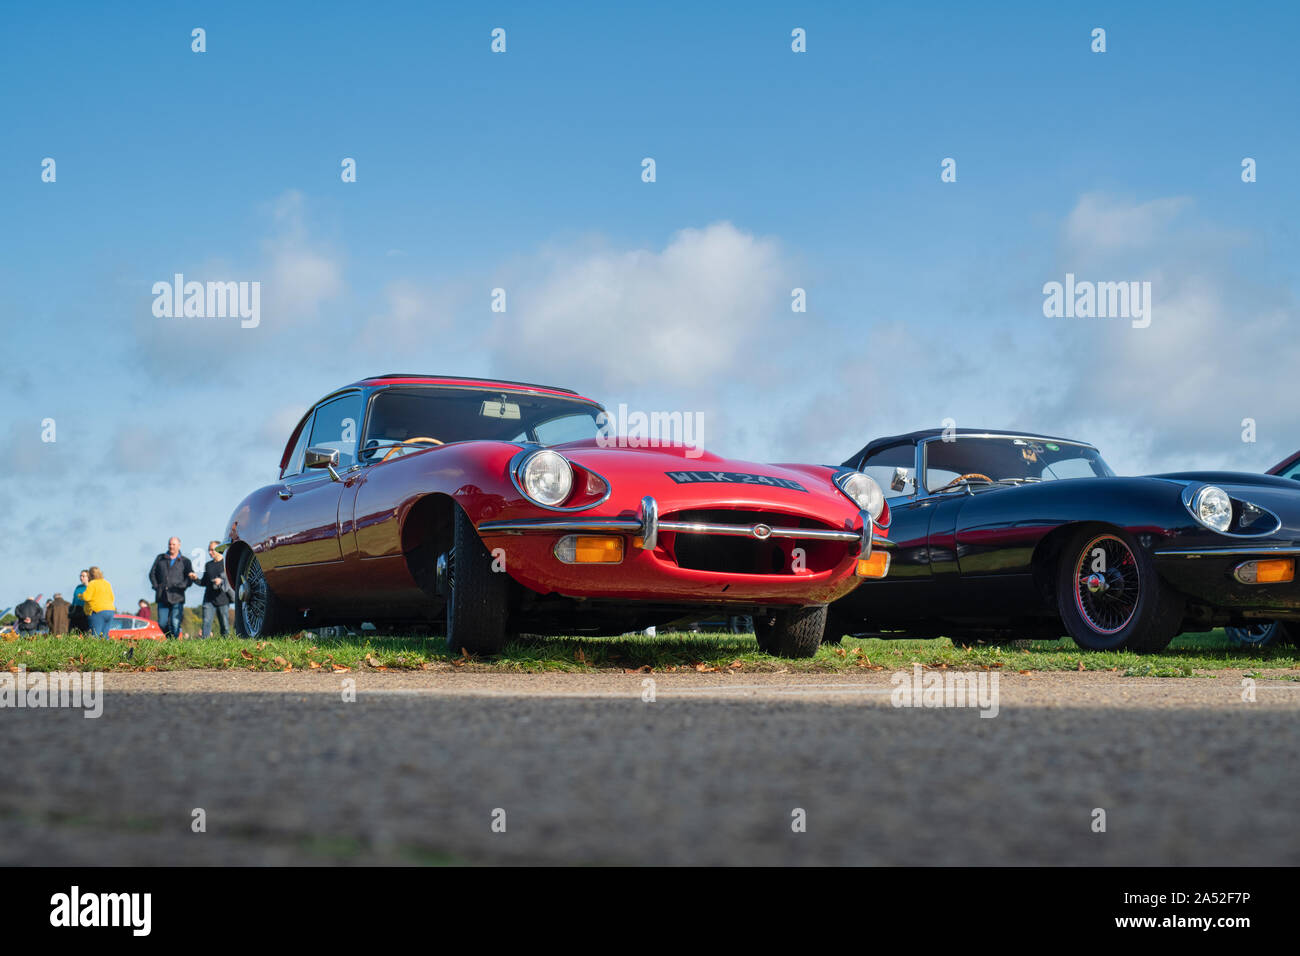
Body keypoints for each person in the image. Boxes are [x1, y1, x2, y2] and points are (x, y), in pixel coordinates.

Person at [149, 537, 194, 639]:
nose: (171, 546)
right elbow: (152, 574)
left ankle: (174, 642)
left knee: (175, 622)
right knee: (162, 623)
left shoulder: (185, 561)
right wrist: (156, 586)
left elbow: (190, 578)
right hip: (162, 595)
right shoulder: (160, 558)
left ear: (179, 545)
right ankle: (170, 638)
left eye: (174, 544)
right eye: (170, 544)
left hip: (177, 596)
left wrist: (182, 586)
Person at [195, 540, 233, 638]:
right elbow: (204, 582)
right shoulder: (208, 565)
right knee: (206, 622)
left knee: (224, 625)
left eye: (212, 550)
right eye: (209, 550)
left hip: (223, 598)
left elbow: (231, 580)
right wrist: (195, 579)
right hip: (208, 599)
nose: (210, 552)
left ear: (219, 549)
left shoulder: (226, 563)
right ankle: (204, 644)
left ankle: (227, 643)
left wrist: (221, 581)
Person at [81, 568, 116, 639]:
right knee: (105, 636)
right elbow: (112, 597)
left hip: (98, 611)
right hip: (110, 611)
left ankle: (95, 650)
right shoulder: (107, 583)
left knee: (95, 636)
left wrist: (80, 596)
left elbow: (87, 597)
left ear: (90, 575)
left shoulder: (92, 583)